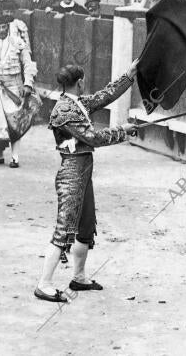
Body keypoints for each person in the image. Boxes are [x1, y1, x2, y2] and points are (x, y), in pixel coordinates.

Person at [34, 62, 139, 302]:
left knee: (86, 224)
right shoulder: (64, 110)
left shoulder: (75, 103)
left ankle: (78, 277)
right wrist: (122, 131)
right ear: (79, 81)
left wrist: (129, 75)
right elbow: (92, 138)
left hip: (83, 172)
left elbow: (105, 96)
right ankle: (44, 284)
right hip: (71, 173)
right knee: (64, 228)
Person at [0, 15, 41, 168]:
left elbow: (28, 65)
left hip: (14, 87)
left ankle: (15, 157)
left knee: (14, 122)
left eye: (4, 27)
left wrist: (28, 84)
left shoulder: (18, 43)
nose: (2, 30)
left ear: (8, 27)